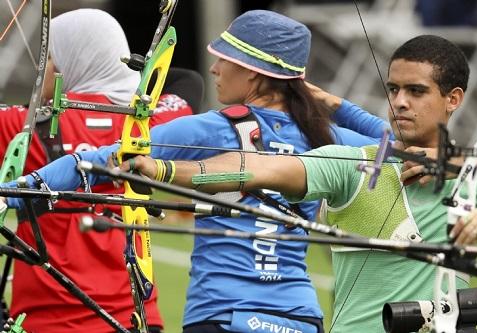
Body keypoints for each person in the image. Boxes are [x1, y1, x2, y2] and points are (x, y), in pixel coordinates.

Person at [0, 10, 392, 333]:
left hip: (222, 316)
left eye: (226, 59)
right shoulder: (327, 136)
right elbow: (400, 149)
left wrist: (22, 188)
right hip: (300, 318)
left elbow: (99, 161)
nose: (216, 68)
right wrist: (335, 104)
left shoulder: (211, 128)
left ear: (252, 73)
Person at [115, 35, 477, 332]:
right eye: (393, 89)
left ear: (453, 99)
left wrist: (460, 167)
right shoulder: (355, 163)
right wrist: (163, 170)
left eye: (415, 91)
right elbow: (257, 168)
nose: (399, 102)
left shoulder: (475, 177)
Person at [0, 9, 193, 333]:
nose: (40, 69)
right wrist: (135, 80)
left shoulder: (21, 127)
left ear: (66, 65)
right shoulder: (154, 121)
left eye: (47, 58)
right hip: (135, 319)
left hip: (47, 322)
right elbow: (190, 80)